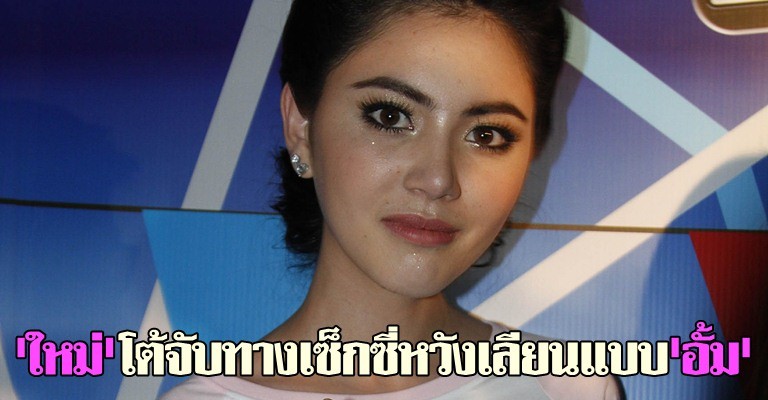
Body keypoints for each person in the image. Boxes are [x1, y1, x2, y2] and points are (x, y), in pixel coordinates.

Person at [164, 0, 622, 398]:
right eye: (391, 116)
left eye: (486, 135)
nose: (438, 180)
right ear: (301, 128)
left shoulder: (567, 387)